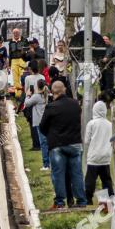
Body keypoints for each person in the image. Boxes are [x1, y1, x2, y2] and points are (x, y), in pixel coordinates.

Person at [39, 80, 85, 209]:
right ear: (64, 89)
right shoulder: (76, 104)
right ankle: (81, 201)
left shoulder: (51, 107)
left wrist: (51, 134)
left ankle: (60, 202)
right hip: (75, 144)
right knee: (77, 173)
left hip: (57, 145)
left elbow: (42, 127)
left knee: (58, 174)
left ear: (53, 92)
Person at [84, 101, 114, 206]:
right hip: (106, 156)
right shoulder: (110, 124)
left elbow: (87, 141)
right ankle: (107, 202)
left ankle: (88, 199)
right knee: (106, 180)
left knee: (90, 180)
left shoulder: (91, 123)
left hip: (94, 156)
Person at [24, 79, 49, 171]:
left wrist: (28, 95)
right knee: (46, 142)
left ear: (37, 87)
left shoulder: (36, 96)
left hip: (39, 121)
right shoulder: (45, 95)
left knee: (43, 143)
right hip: (46, 120)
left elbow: (27, 104)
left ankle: (46, 164)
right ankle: (48, 163)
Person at [8, 28, 28, 98]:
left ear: (19, 33)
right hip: (13, 60)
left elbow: (27, 51)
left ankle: (24, 93)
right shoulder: (11, 42)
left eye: (17, 32)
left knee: (23, 76)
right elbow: (10, 53)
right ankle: (18, 95)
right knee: (15, 78)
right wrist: (9, 65)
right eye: (14, 33)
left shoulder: (24, 40)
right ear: (13, 34)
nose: (16, 34)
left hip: (22, 60)